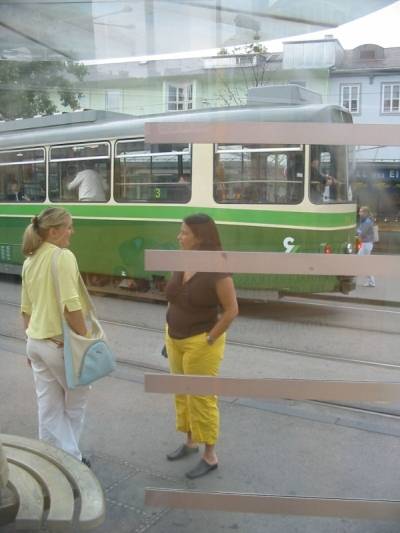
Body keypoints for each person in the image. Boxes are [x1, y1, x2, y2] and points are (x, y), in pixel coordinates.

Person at [165, 213, 238, 479]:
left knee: (202, 399)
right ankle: (190, 442)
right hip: (175, 338)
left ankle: (210, 456)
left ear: (200, 237)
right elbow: (173, 298)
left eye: (184, 233)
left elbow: (231, 310)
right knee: (182, 395)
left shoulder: (217, 268)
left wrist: (209, 339)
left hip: (201, 342)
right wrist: (168, 333)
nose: (179, 237)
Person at [21, 207, 91, 464]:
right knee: (75, 404)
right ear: (53, 231)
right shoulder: (62, 256)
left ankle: (50, 457)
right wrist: (85, 342)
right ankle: (72, 460)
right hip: (60, 345)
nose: (72, 232)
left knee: (48, 406)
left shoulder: (29, 261)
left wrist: (28, 343)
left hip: (35, 344)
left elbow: (26, 310)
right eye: (69, 227)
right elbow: (71, 307)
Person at [356, 205, 376, 287]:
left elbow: (361, 232)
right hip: (365, 244)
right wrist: (358, 232)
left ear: (365, 213)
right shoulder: (364, 221)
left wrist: (358, 233)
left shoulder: (367, 222)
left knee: (362, 261)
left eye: (361, 211)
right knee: (364, 262)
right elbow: (359, 231)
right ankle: (370, 281)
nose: (359, 213)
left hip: (366, 244)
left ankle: (371, 281)